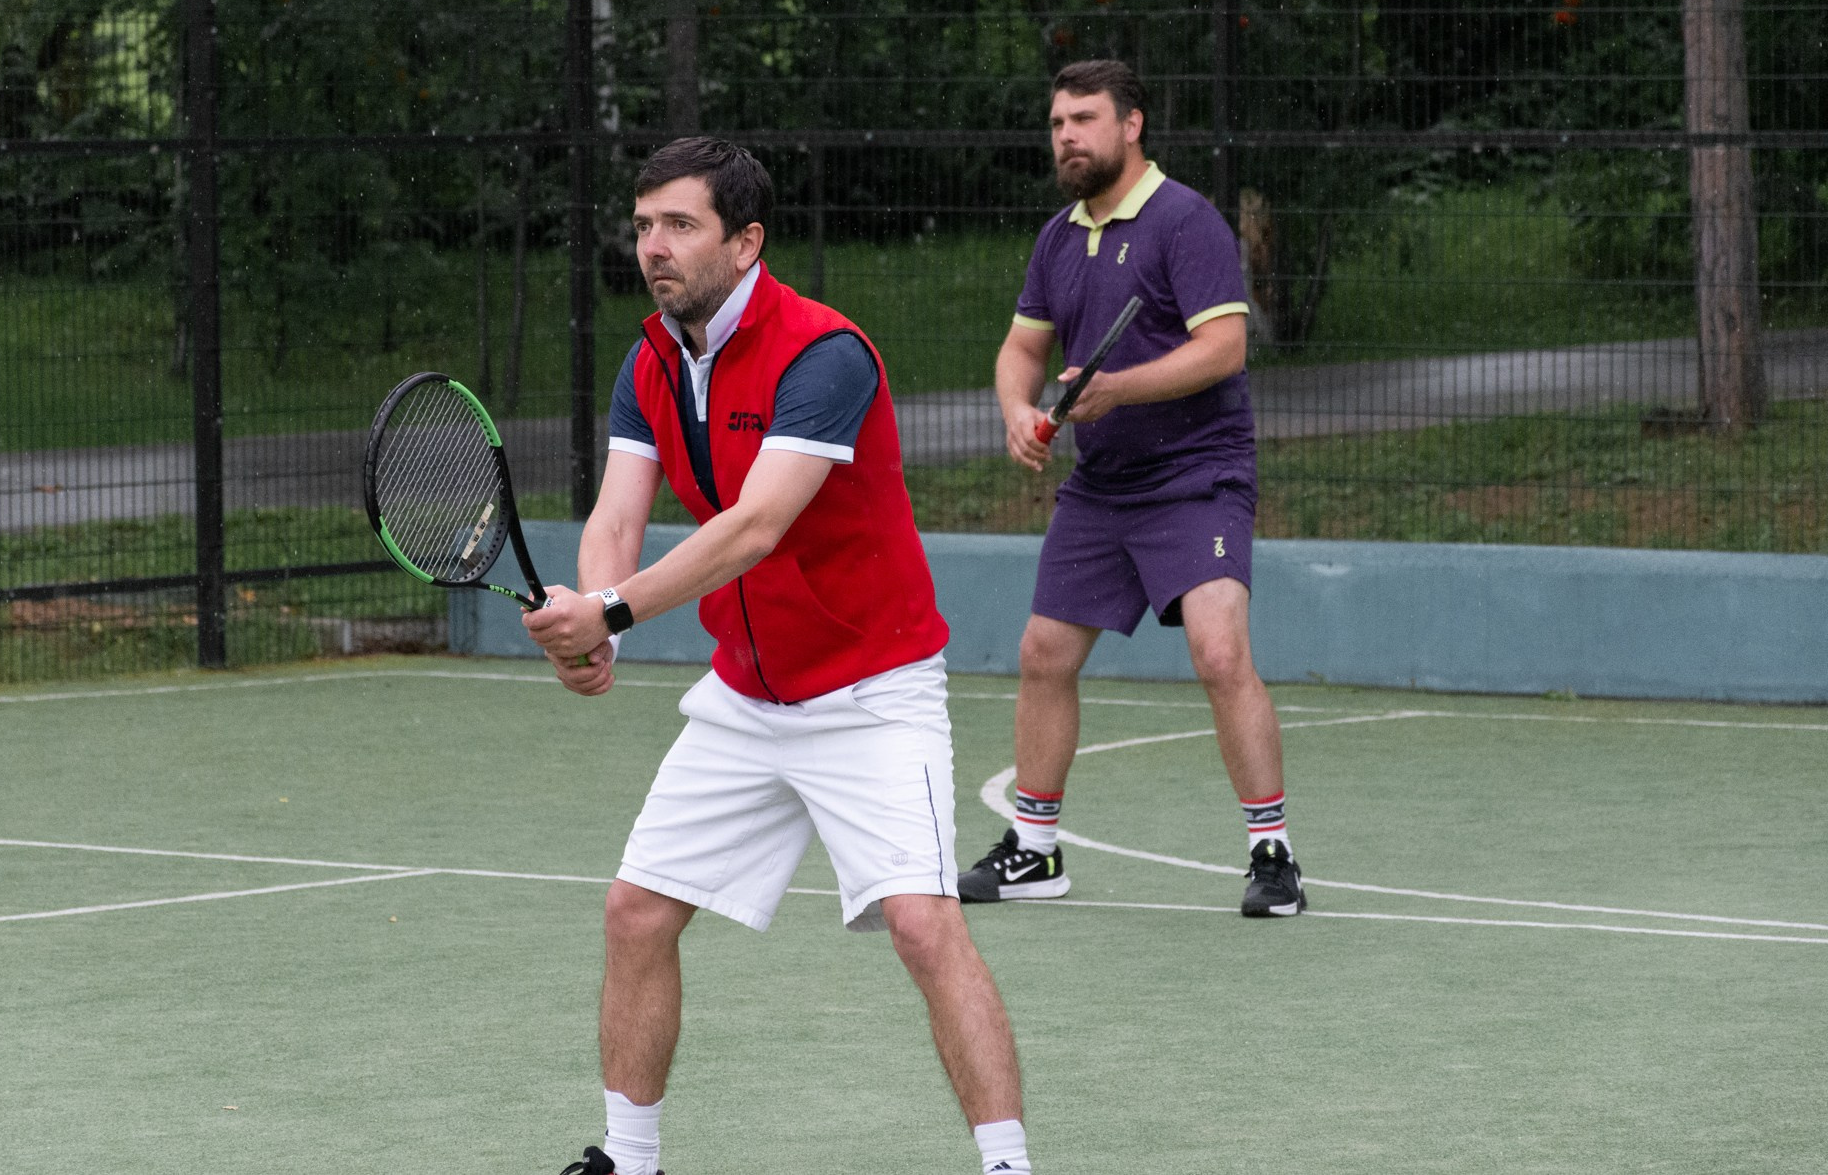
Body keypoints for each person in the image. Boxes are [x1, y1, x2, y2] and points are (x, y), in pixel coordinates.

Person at [524, 137, 1034, 1175]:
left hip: (871, 690)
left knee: (923, 926)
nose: (652, 248)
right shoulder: (651, 357)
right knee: (634, 912)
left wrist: (613, 615)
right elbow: (618, 510)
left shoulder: (824, 353)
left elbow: (756, 525)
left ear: (744, 240)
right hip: (747, 695)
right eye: (640, 226)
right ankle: (630, 1160)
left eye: (678, 226)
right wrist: (586, 598)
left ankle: (1007, 1166)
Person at [957, 59, 1305, 919]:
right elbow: (1022, 349)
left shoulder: (1185, 222)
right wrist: (1016, 409)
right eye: (1056, 123)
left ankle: (1273, 853)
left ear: (1131, 124)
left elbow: (1224, 348)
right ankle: (1035, 849)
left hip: (1199, 475)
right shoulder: (1057, 238)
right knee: (1043, 653)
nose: (1067, 135)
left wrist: (1117, 388)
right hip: (1103, 483)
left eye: (1084, 118)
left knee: (1220, 652)